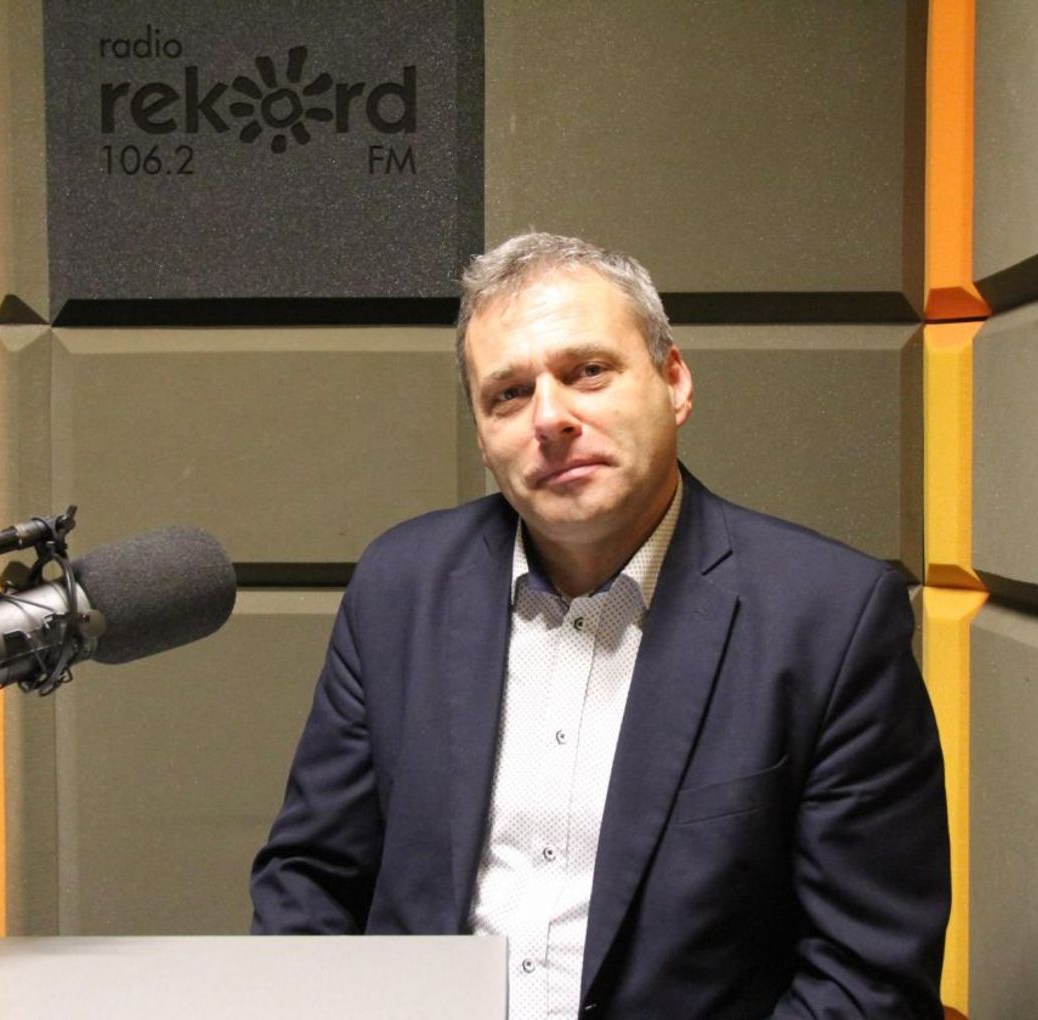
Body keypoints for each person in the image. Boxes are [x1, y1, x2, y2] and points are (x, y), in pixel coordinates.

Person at [251, 232, 950, 1018]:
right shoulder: (398, 588)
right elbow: (309, 882)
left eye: (587, 371)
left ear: (674, 381)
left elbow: (867, 979)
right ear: (482, 436)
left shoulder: (830, 619)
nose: (550, 418)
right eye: (509, 394)